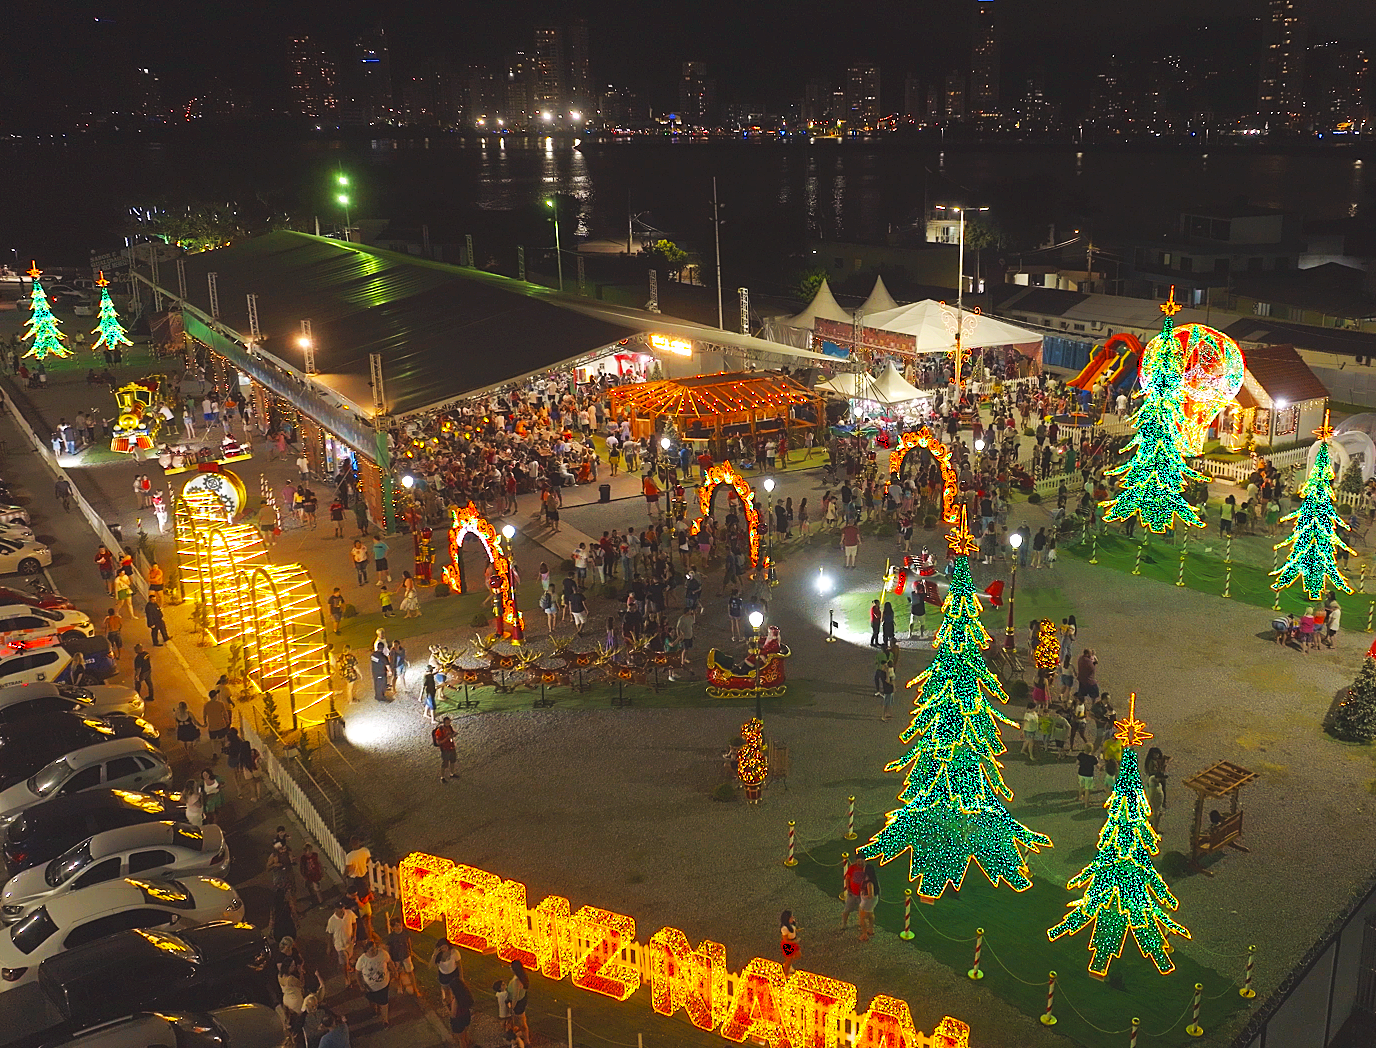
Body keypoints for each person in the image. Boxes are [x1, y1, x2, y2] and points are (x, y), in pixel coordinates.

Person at [354, 939, 392, 1026]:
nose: (374, 951)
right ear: (366, 951)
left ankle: (385, 1021)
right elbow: (358, 973)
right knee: (372, 1000)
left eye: (375, 948)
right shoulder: (362, 960)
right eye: (372, 950)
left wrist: (394, 972)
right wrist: (361, 985)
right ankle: (375, 1011)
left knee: (384, 1003)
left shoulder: (382, 954)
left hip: (383, 985)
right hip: (370, 987)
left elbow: (390, 962)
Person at [386, 915, 421, 1000]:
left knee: (410, 971)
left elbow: (408, 943)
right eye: (396, 925)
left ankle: (415, 989)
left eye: (399, 924)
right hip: (396, 957)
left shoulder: (405, 933)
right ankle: (399, 986)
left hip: (406, 955)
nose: (399, 927)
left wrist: (410, 952)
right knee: (398, 973)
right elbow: (388, 948)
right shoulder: (391, 937)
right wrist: (390, 959)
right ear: (393, 927)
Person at [326, 899, 358, 983]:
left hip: (349, 942)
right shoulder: (332, 920)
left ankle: (348, 967)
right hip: (339, 945)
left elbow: (354, 923)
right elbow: (330, 934)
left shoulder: (350, 914)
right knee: (344, 962)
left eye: (343, 907)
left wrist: (354, 935)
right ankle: (346, 978)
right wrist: (329, 947)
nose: (342, 910)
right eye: (340, 908)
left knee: (349, 957)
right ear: (335, 910)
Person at [507, 959, 531, 1042]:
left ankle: (526, 1040)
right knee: (520, 1020)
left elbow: (515, 996)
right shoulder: (523, 976)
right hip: (522, 1000)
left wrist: (512, 1007)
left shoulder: (516, 981)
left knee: (522, 1022)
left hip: (518, 1004)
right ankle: (522, 1035)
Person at [433, 939, 461, 1008]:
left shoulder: (454, 953)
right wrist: (435, 955)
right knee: (446, 992)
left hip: (453, 974)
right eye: (442, 948)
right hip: (443, 975)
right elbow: (431, 965)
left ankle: (456, 1005)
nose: (444, 949)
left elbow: (459, 965)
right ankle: (449, 1005)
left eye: (445, 947)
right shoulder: (438, 955)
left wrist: (461, 977)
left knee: (455, 991)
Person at [840, 855, 865, 929]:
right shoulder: (852, 867)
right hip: (852, 893)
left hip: (862, 895)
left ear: (864, 860)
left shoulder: (866, 869)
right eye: (858, 861)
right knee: (846, 910)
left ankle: (860, 924)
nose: (859, 863)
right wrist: (848, 888)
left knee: (861, 911)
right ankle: (844, 924)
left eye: (861, 861)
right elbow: (847, 878)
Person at [449, 977, 475, 1048]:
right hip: (466, 1016)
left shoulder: (456, 1001)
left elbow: (453, 1014)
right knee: (465, 1032)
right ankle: (468, 1042)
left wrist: (446, 1007)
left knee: (461, 1039)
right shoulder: (466, 995)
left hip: (458, 1021)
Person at [857, 863, 880, 941]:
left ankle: (864, 934)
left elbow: (870, 895)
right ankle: (871, 929)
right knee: (870, 914)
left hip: (867, 902)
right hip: (873, 901)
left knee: (862, 917)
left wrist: (863, 895)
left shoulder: (869, 883)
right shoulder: (874, 880)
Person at [299, 842, 325, 908]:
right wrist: (303, 876)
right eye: (308, 850)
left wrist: (321, 871)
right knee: (310, 888)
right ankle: (314, 900)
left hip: (315, 874)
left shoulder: (315, 855)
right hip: (308, 876)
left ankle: (321, 902)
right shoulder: (303, 858)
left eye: (311, 850)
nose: (310, 851)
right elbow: (302, 868)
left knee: (317, 888)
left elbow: (319, 863)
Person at [203, 690, 229, 754]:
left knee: (212, 740)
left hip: (212, 726)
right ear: (215, 696)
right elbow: (225, 713)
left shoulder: (206, 705)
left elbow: (204, 714)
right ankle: (223, 748)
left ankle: (214, 752)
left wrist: (205, 722)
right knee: (222, 738)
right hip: (221, 725)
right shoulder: (220, 704)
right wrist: (227, 720)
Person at [434, 716, 458, 783]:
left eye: (449, 722)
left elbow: (452, 733)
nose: (449, 724)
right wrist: (447, 738)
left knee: (453, 761)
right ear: (444, 722)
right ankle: (442, 777)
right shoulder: (440, 731)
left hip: (451, 747)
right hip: (445, 749)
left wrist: (454, 734)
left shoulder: (449, 727)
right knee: (445, 763)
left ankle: (452, 773)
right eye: (447, 723)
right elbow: (438, 742)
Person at [779, 911, 801, 975]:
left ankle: (788, 965)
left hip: (793, 942)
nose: (793, 918)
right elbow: (785, 940)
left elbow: (793, 928)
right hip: (788, 945)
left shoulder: (791, 924)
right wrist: (794, 941)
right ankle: (786, 974)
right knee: (789, 959)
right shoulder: (785, 928)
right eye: (791, 918)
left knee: (797, 955)